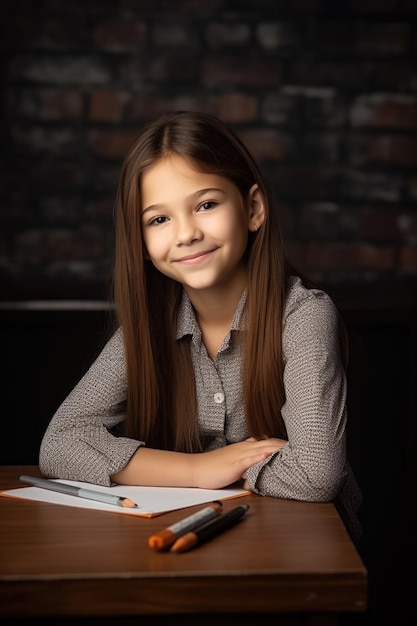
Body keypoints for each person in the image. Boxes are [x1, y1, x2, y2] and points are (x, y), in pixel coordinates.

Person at [39, 110, 362, 542]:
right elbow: (60, 442)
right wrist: (198, 469)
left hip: (301, 549)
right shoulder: (149, 326)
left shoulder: (303, 316)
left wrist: (170, 469)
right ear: (143, 243)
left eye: (206, 205)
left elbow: (315, 472)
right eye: (159, 219)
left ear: (253, 208)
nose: (186, 233)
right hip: (196, 538)